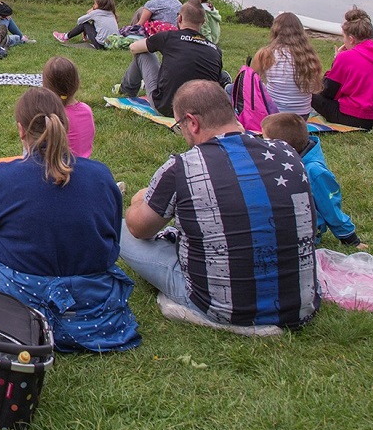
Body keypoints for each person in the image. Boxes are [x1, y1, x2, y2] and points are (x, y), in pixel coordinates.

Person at [0, 88, 140, 353]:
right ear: (64, 125)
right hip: (93, 308)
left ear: (21, 130)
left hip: (17, 307)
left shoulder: (2, 177)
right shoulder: (101, 176)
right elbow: (112, 243)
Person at [121, 80, 319, 333]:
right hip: (300, 304)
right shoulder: (287, 152)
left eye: (179, 125)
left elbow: (140, 228)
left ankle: (200, 310)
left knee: (118, 230)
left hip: (222, 307)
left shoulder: (181, 168)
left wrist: (140, 199)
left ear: (192, 122)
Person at [262, 113, 366, 250]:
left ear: (283, 146)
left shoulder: (314, 171)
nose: (262, 145)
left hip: (303, 234)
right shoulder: (282, 159)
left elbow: (330, 206)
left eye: (265, 140)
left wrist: (349, 238)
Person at [118, 2, 222, 117]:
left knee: (144, 54)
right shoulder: (215, 49)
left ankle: (127, 90)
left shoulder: (169, 37)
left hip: (167, 108)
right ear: (203, 22)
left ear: (179, 18)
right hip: (200, 111)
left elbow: (133, 48)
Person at [311, 7, 373, 130]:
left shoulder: (346, 58)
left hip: (357, 116)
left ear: (351, 39)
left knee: (309, 93)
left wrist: (337, 60)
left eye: (344, 37)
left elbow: (328, 92)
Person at [251, 12, 322, 117]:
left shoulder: (266, 54)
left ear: (275, 31)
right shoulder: (310, 56)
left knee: (230, 88)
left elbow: (249, 81)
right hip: (302, 116)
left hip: (273, 115)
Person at [43, 56, 94, 158]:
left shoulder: (51, 116)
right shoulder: (86, 110)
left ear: (46, 86)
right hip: (85, 166)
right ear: (77, 83)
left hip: (59, 170)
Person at [54, 0, 118, 49]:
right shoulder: (111, 13)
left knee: (85, 24)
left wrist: (90, 12)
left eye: (95, 4)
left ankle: (65, 37)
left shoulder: (95, 13)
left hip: (101, 45)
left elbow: (79, 21)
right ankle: (86, 37)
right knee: (94, 22)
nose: (93, 5)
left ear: (100, 6)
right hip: (111, 44)